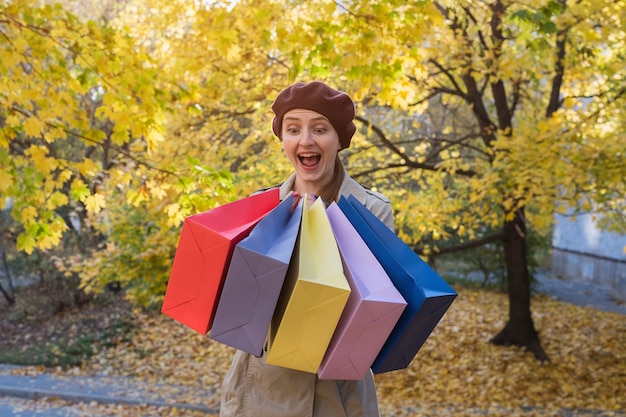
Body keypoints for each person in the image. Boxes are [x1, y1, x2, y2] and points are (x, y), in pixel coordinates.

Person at [219, 81, 394, 417]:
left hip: (338, 395)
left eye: (320, 129)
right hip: (260, 390)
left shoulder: (372, 210)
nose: (306, 140)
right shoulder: (260, 207)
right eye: (293, 129)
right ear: (283, 139)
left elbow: (376, 314)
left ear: (339, 139)